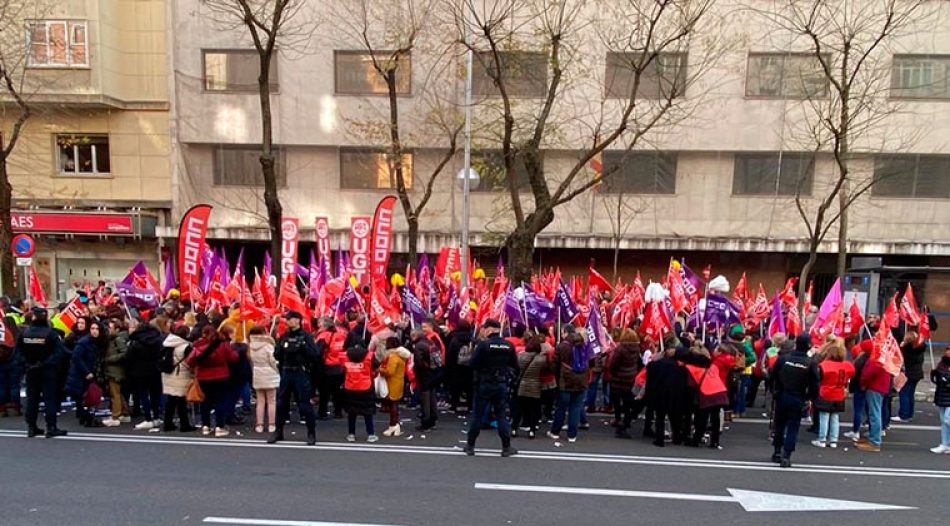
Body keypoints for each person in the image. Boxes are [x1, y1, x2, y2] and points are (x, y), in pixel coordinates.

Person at [464, 319, 518, 457]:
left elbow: (472, 364)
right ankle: (506, 447)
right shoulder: (508, 345)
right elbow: (515, 365)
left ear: (489, 329)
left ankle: (470, 446)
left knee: (478, 415)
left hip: (485, 383)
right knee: (501, 416)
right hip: (501, 383)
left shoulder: (483, 345)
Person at [15, 307, 69, 438]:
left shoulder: (24, 333)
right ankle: (51, 427)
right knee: (49, 398)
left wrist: (27, 364)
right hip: (47, 370)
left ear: (34, 317)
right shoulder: (51, 334)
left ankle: (31, 427)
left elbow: (17, 353)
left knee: (32, 399)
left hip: (31, 370)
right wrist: (46, 363)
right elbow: (59, 353)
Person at [268, 311, 320, 445]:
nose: (287, 321)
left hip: (300, 372)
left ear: (297, 320)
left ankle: (311, 433)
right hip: (286, 372)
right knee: (281, 403)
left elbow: (314, 355)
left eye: (290, 319)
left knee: (304, 404)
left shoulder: (306, 337)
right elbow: (277, 354)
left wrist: (302, 346)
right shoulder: (285, 336)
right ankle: (278, 431)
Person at [770, 335, 819, 467]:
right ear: (809, 345)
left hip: (782, 395)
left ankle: (777, 452)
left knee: (779, 424)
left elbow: (772, 375)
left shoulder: (784, 358)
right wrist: (809, 398)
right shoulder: (810, 362)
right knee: (793, 426)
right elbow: (815, 383)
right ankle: (786, 455)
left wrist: (774, 391)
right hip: (798, 396)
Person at [186, 324, 238, 437]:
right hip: (221, 375)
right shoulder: (223, 345)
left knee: (205, 401)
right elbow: (233, 357)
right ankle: (220, 426)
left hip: (203, 376)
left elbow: (190, 361)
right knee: (220, 401)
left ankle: (206, 426)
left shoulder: (198, 345)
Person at [547, 330, 590, 444]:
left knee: (561, 407)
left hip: (565, 381)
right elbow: (591, 363)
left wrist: (557, 376)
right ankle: (572, 435)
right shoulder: (585, 346)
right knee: (575, 408)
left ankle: (555, 432)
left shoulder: (562, 346)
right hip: (581, 381)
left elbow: (554, 365)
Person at [811, 339, 855, 448]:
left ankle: (822, 439)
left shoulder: (824, 365)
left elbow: (818, 378)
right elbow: (852, 374)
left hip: (825, 392)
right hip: (839, 393)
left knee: (824, 417)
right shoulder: (847, 365)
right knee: (835, 417)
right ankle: (833, 440)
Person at [65, 320, 107, 428]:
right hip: (81, 373)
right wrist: (86, 372)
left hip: (89, 371)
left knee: (88, 395)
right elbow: (76, 357)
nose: (94, 331)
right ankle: (86, 418)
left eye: (97, 329)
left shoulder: (97, 342)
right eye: (92, 329)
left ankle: (86, 417)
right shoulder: (84, 342)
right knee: (84, 395)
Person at [126, 316, 165, 430]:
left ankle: (148, 418)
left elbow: (129, 357)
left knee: (144, 395)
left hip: (140, 372)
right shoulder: (158, 340)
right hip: (155, 370)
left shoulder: (136, 342)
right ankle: (156, 417)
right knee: (155, 395)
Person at [510, 336, 548, 439]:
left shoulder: (520, 356)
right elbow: (545, 371)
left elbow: (515, 369)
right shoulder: (542, 359)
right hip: (535, 387)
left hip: (521, 386)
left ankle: (514, 429)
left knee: (519, 409)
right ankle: (532, 430)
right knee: (533, 410)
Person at [161, 326, 197, 432]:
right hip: (181, 375)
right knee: (181, 402)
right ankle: (184, 424)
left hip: (168, 374)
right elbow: (190, 362)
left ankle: (167, 424)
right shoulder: (185, 346)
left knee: (171, 401)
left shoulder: (167, 343)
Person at [857, 348, 893, 452]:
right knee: (876, 412)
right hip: (881, 386)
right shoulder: (884, 355)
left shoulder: (877, 357)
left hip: (875, 386)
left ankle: (875, 441)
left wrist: (863, 382)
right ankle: (873, 437)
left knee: (874, 414)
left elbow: (869, 371)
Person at [343, 343, 380, 442]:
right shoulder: (369, 356)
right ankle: (370, 434)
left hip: (350, 386)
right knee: (368, 412)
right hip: (366, 386)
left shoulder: (346, 355)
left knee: (351, 412)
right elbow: (377, 366)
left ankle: (351, 434)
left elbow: (342, 368)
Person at [608, 330, 641, 438]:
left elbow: (614, 363)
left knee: (617, 401)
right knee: (627, 403)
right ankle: (626, 422)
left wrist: (613, 373)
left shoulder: (620, 349)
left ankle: (617, 419)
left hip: (618, 379)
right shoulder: (637, 349)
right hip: (631, 379)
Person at [249, 326, 279, 434]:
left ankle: (259, 424)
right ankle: (271, 424)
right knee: (271, 401)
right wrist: (277, 370)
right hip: (269, 372)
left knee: (260, 401)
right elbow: (272, 360)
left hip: (257, 371)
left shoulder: (251, 346)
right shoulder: (268, 345)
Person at [100, 318, 130, 427]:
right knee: (119, 393)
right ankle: (125, 413)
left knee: (115, 394)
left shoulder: (118, 340)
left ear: (117, 329)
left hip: (115, 370)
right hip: (116, 370)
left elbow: (124, 353)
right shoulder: (117, 339)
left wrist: (110, 359)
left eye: (110, 328)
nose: (108, 330)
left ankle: (115, 416)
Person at [380, 336, 410, 437]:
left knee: (393, 404)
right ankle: (395, 425)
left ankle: (393, 425)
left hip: (392, 382)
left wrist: (380, 370)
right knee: (394, 404)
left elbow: (390, 371)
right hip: (399, 381)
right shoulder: (401, 356)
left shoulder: (393, 356)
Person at [316, 319, 347, 420]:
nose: (318, 325)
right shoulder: (342, 334)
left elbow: (318, 351)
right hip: (340, 365)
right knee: (337, 392)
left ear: (325, 325)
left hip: (328, 366)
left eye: (320, 323)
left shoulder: (324, 335)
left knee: (324, 392)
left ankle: (322, 412)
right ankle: (338, 412)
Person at [411, 329, 439, 431]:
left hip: (424, 374)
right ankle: (433, 418)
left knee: (425, 398)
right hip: (434, 372)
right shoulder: (430, 342)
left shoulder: (419, 346)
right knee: (432, 397)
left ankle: (425, 421)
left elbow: (418, 362)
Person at [895, 330, 926, 422]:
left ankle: (904, 414)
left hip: (909, 373)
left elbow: (902, 358)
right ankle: (909, 413)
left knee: (904, 393)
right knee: (910, 394)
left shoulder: (908, 349)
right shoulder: (919, 349)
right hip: (917, 373)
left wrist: (902, 347)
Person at [930, 346, 950, 454]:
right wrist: (935, 374)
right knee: (944, 421)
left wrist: (946, 380)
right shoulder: (942, 364)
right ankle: (945, 444)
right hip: (942, 395)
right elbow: (938, 380)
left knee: (948, 419)